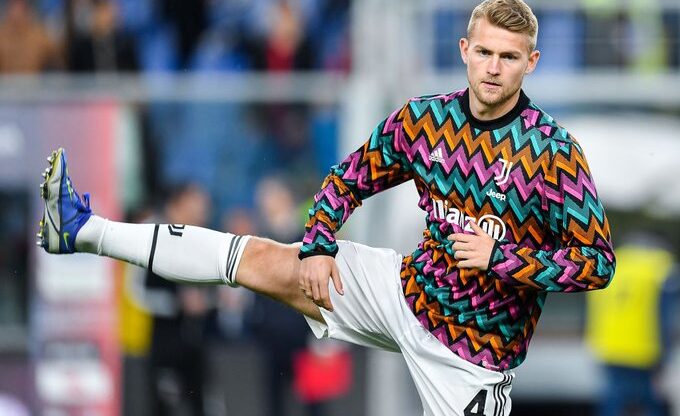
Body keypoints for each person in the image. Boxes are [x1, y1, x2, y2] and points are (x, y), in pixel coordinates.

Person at [36, 1, 616, 414]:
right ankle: (83, 230)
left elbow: (597, 263)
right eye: (484, 52)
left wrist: (502, 259)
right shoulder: (425, 119)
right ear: (464, 50)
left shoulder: (553, 152)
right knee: (262, 259)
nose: (493, 67)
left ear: (531, 62)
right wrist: (316, 243)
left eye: (509, 57)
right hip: (405, 292)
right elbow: (347, 179)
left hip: (471, 357)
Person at [586, 231, 679, 416]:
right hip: (645, 350)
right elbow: (666, 317)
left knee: (613, 400)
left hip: (608, 347)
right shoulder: (661, 268)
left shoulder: (609, 265)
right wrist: (666, 355)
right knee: (650, 402)